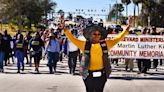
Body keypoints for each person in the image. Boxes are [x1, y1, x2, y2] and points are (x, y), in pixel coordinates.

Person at [62, 16, 133, 92]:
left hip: (102, 74)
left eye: (98, 34)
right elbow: (72, 39)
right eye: (94, 34)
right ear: (90, 35)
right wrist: (64, 27)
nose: (96, 36)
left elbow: (119, 37)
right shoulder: (84, 44)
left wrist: (128, 26)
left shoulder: (106, 44)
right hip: (87, 74)